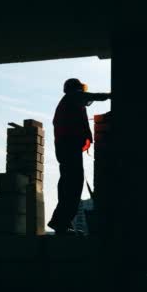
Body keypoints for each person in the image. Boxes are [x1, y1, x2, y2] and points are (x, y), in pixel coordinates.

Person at [48, 78, 110, 235]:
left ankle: (61, 222)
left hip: (66, 147)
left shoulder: (68, 102)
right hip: (69, 147)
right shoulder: (72, 97)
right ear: (77, 89)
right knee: (73, 184)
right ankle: (60, 222)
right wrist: (111, 95)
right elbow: (91, 96)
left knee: (68, 183)